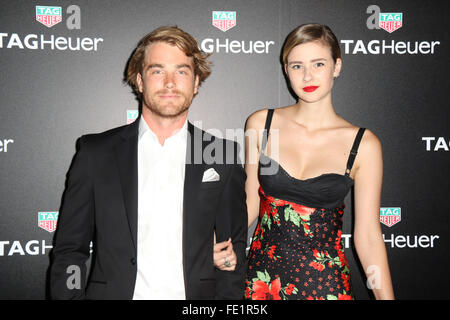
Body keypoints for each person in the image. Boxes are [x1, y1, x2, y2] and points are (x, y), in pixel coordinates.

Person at [49, 26, 247, 300]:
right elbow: (70, 249)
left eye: (181, 71)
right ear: (140, 81)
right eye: (157, 70)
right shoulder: (95, 153)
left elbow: (232, 255)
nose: (169, 82)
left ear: (196, 82)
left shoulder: (221, 154)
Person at [214, 23, 394, 300]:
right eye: (297, 66)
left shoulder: (364, 144)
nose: (307, 75)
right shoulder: (262, 124)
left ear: (337, 66)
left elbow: (368, 236)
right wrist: (216, 241)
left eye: (319, 64)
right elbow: (250, 203)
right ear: (286, 70)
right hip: (264, 282)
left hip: (326, 286)